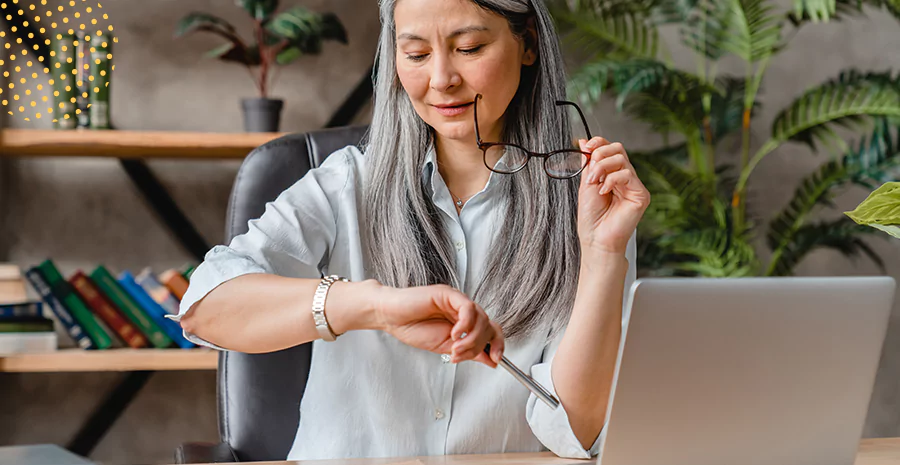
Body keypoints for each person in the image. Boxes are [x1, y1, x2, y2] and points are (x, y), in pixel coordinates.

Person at [171, 0, 650, 461]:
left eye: (468, 49)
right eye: (416, 54)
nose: (441, 80)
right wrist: (372, 307)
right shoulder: (345, 184)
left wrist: (603, 252)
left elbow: (575, 430)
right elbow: (204, 309)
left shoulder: (590, 201)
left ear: (527, 44)